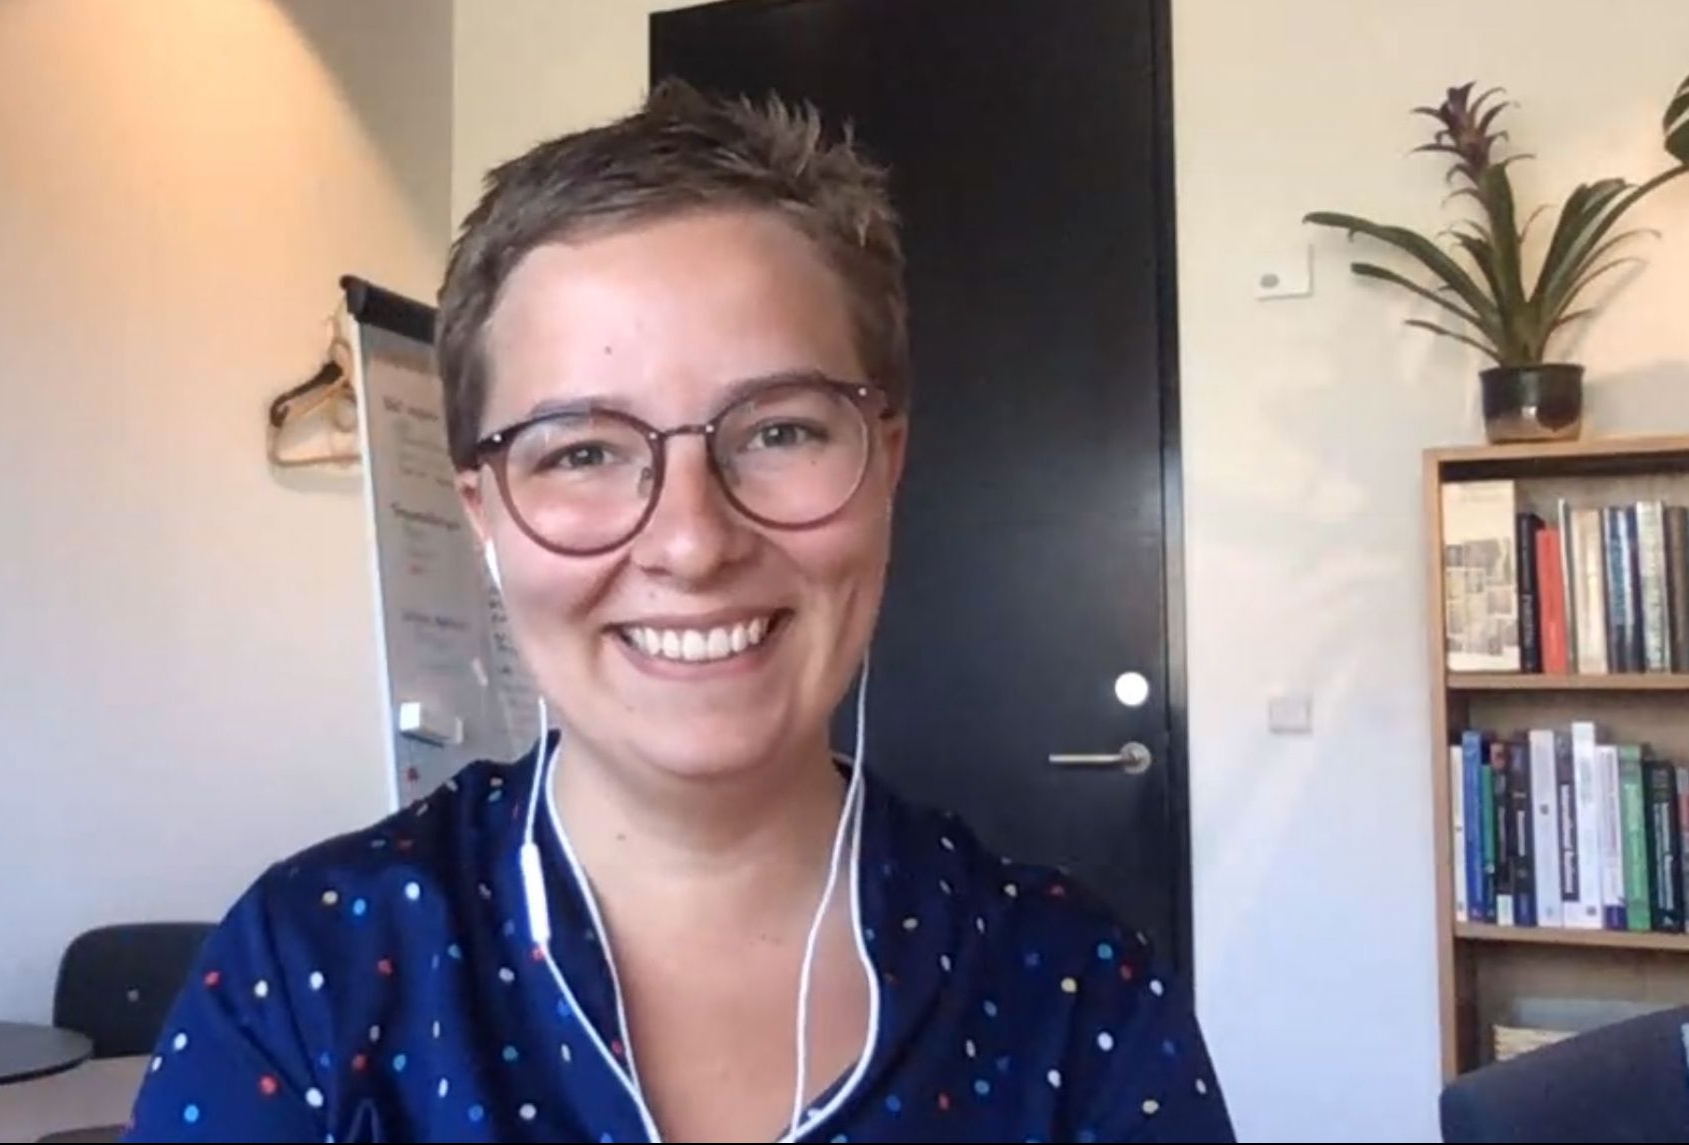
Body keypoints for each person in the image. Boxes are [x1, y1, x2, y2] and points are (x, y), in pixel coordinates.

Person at [122, 79, 1234, 1144]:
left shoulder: (1080, 993)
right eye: (585, 451)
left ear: (885, 458)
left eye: (779, 429)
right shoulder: (306, 972)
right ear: (483, 510)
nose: (692, 541)